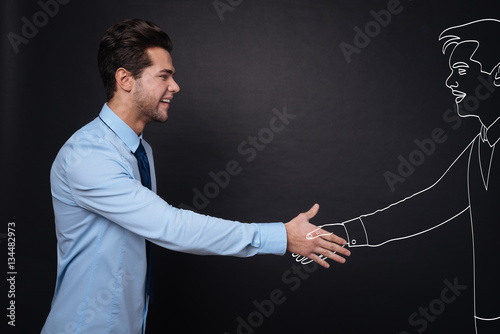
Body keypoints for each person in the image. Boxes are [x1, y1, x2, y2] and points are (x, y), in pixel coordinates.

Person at [40, 18, 350, 334]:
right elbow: (170, 227)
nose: (175, 86)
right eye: (164, 76)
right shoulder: (89, 155)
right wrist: (282, 236)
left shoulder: (139, 150)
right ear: (125, 79)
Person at [302, 18, 500, 333]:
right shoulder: (482, 147)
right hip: (489, 314)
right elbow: (428, 207)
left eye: (461, 71)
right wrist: (340, 233)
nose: (450, 81)